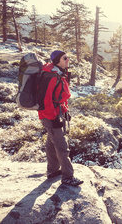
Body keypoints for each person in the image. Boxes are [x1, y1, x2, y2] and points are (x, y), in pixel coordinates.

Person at [37, 50, 83, 187]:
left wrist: (65, 111)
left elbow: (60, 96)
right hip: (50, 115)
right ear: (57, 60)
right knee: (62, 146)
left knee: (51, 142)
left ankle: (52, 171)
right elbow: (45, 100)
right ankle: (68, 177)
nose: (68, 59)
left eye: (68, 57)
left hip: (56, 113)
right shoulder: (51, 76)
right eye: (65, 58)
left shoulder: (59, 73)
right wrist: (54, 118)